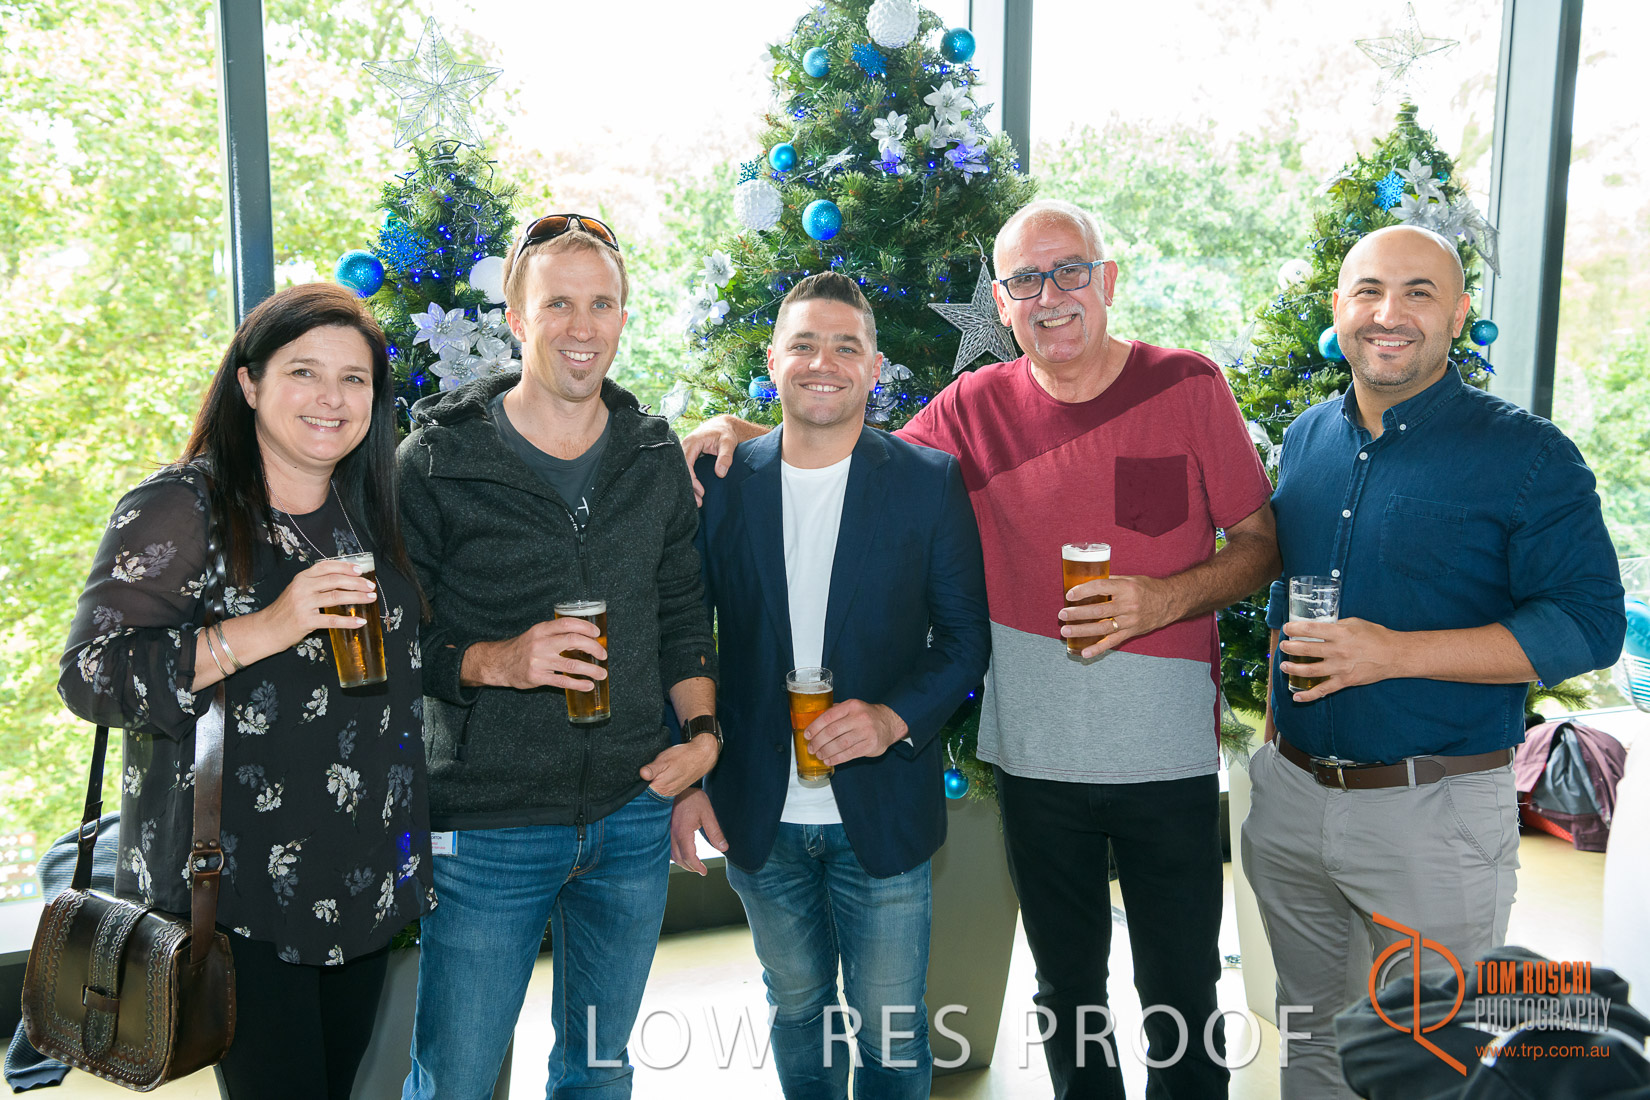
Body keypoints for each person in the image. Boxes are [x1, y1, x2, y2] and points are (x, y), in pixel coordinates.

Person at [683, 199, 1279, 1099]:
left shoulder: (1186, 386)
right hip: (1034, 757)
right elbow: (844, 459)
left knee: (1181, 989)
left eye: (1070, 270)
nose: (1050, 295)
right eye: (1025, 280)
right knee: (1067, 990)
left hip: (1164, 755)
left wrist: (1165, 596)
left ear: (1108, 281)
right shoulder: (972, 406)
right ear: (1000, 304)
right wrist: (740, 434)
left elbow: (1261, 546)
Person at [1241, 224, 1625, 1099]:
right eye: (1369, 290)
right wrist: (1271, 752)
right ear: (1338, 307)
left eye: (1419, 293)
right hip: (1292, 803)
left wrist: (1393, 654)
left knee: (1435, 1066)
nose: (1390, 313)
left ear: (1457, 316)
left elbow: (1589, 624)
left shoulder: (1528, 455)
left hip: (1434, 816)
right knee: (1311, 1043)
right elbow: (1285, 602)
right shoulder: (1308, 437)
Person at [59, 283, 435, 1100]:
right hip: (237, 888)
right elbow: (90, 675)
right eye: (304, 372)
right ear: (249, 383)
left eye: (354, 379)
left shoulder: (366, 510)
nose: (331, 398)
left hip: (361, 877)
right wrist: (266, 627)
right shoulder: (181, 504)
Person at [396, 213, 720, 1100]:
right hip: (489, 828)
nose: (583, 326)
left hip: (630, 816)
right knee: (455, 1079)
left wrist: (701, 735)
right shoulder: (436, 462)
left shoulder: (653, 455)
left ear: (623, 318)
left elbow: (683, 613)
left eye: (602, 304)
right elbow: (389, 636)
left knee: (598, 1072)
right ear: (516, 316)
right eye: (558, 304)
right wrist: (496, 660)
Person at [671, 273, 990, 1098]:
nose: (824, 363)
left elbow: (965, 642)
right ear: (772, 359)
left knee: (892, 1029)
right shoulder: (719, 485)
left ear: (874, 368)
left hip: (881, 812)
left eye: (847, 347)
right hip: (756, 815)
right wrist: (690, 778)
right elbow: (681, 636)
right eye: (804, 344)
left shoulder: (928, 482)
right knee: (796, 1011)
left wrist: (893, 718)